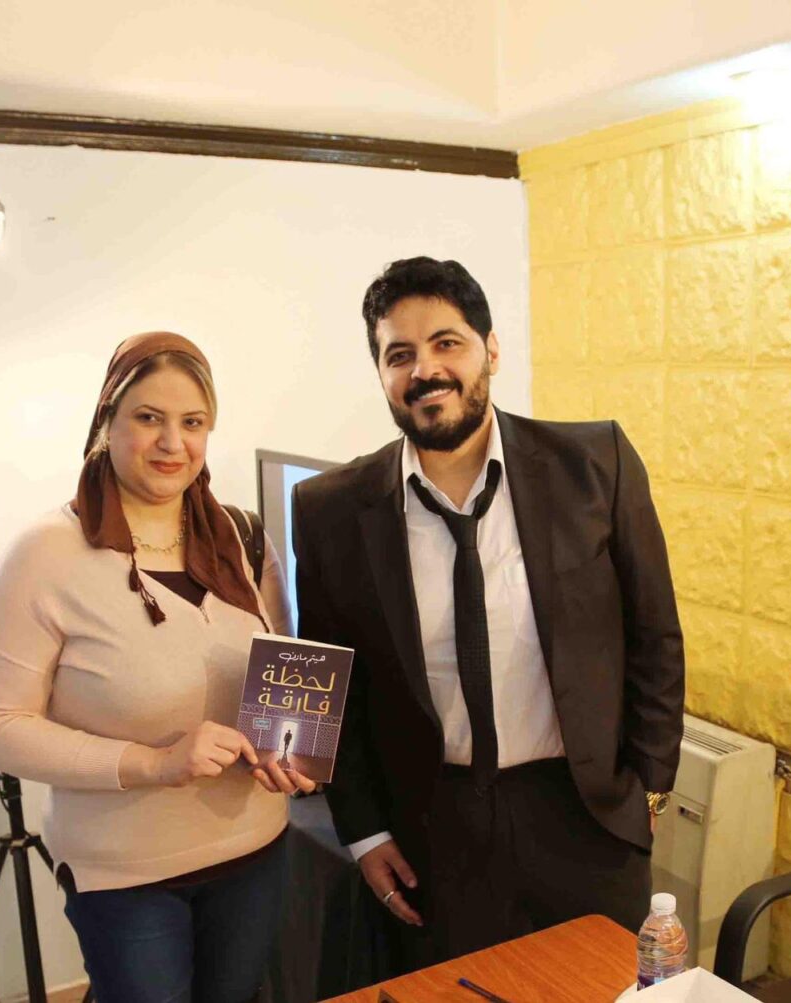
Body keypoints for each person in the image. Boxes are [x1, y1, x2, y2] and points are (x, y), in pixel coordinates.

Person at [292, 257, 684, 968]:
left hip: (585, 813)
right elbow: (333, 691)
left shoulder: (596, 464)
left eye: (447, 342)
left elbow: (654, 634)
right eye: (399, 354)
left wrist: (649, 791)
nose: (425, 370)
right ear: (380, 372)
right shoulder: (329, 510)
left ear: (491, 350)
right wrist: (365, 832)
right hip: (432, 829)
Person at [0, 332, 314, 1003]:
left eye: (193, 422)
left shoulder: (242, 536)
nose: (172, 443)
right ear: (108, 421)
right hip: (125, 877)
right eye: (149, 418)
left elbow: (280, 670)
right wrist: (153, 763)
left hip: (256, 851)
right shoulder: (46, 554)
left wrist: (293, 747)